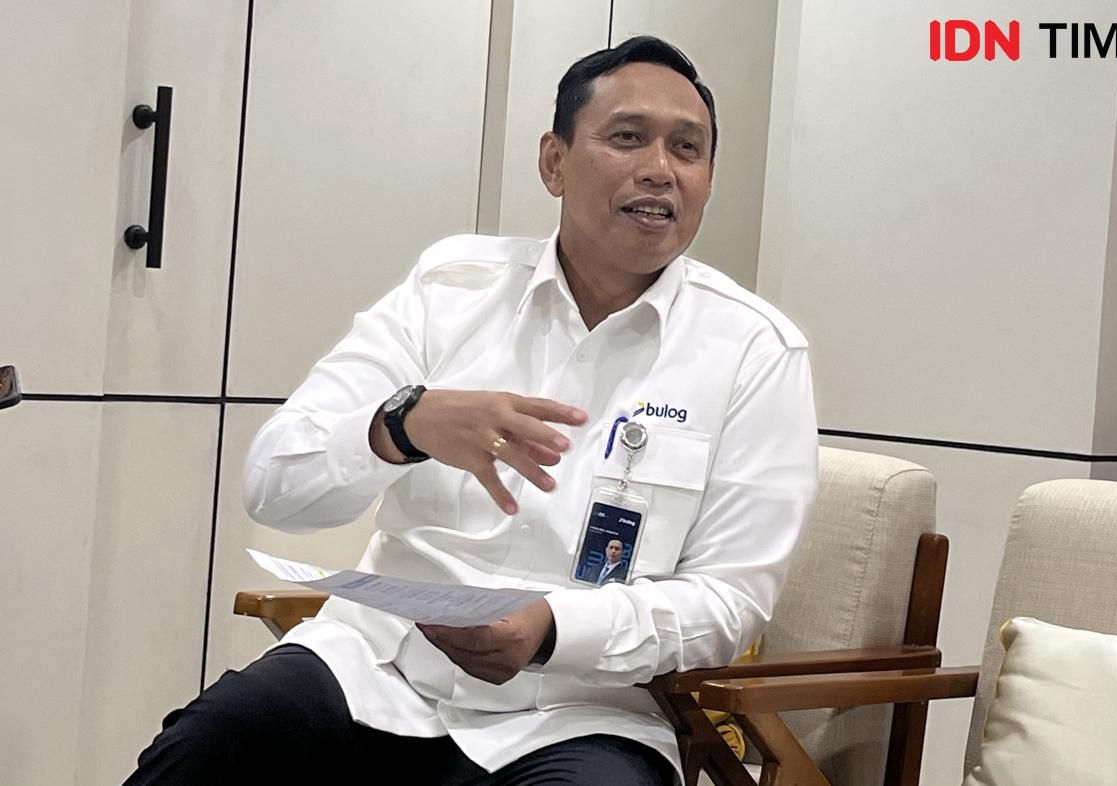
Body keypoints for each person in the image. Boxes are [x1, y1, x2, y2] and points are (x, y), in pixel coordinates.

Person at [125, 35, 817, 786]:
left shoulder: (754, 350)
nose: (660, 168)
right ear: (554, 161)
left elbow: (729, 601)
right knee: (208, 746)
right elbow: (275, 484)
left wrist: (552, 628)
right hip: (378, 666)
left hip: (580, 710)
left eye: (688, 148)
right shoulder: (451, 289)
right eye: (627, 137)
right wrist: (402, 427)